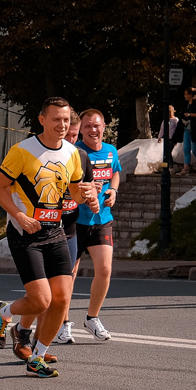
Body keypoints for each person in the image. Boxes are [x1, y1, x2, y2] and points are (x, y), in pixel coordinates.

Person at [0, 97, 97, 378]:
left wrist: (88, 194)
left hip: (56, 231)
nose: (62, 125)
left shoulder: (72, 153)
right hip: (26, 234)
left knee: (61, 298)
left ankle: (36, 357)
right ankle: (4, 313)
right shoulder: (23, 151)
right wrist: (19, 216)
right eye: (56, 119)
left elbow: (72, 194)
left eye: (66, 120)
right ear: (42, 120)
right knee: (40, 301)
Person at [72, 108, 122, 341]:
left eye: (97, 125)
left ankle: (92, 318)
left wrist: (113, 189)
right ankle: (62, 323)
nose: (93, 130)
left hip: (102, 220)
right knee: (68, 276)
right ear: (81, 129)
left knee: (104, 270)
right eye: (88, 126)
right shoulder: (75, 152)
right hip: (75, 221)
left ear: (104, 127)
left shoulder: (111, 150)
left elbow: (115, 173)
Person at [52, 110, 94, 346]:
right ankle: (14, 320)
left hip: (69, 228)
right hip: (43, 229)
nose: (69, 141)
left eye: (74, 136)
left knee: (65, 281)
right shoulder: (45, 155)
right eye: (66, 135)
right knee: (43, 291)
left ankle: (57, 327)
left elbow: (88, 189)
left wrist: (94, 197)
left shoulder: (81, 156)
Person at [178, 87, 196, 175]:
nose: (184, 96)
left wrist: (190, 114)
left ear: (190, 94)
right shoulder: (185, 104)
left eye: (186, 94)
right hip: (186, 128)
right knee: (186, 149)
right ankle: (186, 168)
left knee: (194, 149)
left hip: (195, 129)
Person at [157, 105, 183, 172]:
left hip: (173, 138)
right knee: (166, 152)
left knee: (168, 152)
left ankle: (171, 166)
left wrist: (177, 138)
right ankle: (167, 166)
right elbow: (162, 129)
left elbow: (178, 129)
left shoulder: (175, 120)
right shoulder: (165, 120)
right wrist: (159, 136)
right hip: (166, 138)